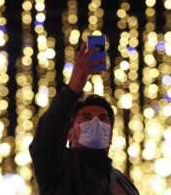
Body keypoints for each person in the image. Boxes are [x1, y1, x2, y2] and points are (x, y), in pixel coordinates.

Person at [30, 43, 139, 195]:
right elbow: (48, 134)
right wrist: (74, 85)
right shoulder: (59, 170)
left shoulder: (122, 182)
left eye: (103, 118)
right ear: (69, 133)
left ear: (111, 135)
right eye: (86, 117)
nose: (96, 122)